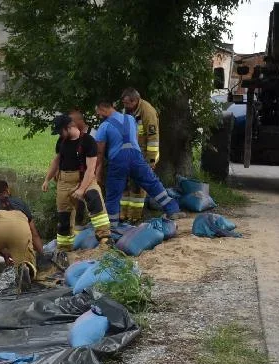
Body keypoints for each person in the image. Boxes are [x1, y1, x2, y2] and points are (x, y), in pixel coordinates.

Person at [92, 99, 180, 229]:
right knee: (152, 183)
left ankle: (112, 227)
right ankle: (172, 210)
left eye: (98, 112)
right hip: (136, 156)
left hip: (118, 160)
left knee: (113, 193)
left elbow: (99, 152)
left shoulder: (104, 126)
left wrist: (96, 173)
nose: (98, 115)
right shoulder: (130, 119)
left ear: (103, 109)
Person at [41, 113, 110, 255]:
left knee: (94, 201)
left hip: (85, 179)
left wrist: (82, 189)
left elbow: (91, 168)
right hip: (64, 181)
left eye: (60, 131)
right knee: (64, 218)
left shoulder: (88, 141)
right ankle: (64, 250)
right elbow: (57, 160)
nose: (59, 134)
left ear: (69, 127)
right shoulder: (62, 141)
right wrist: (47, 179)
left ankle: (105, 240)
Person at [0, 179, 43, 297]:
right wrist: (42, 255)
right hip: (20, 226)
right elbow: (34, 233)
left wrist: (4, 253)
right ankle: (25, 267)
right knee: (26, 259)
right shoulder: (20, 203)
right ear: (7, 190)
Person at [120, 87, 161, 222]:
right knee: (125, 186)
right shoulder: (128, 111)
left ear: (136, 101)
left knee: (137, 188)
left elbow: (153, 139)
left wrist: (151, 161)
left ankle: (134, 217)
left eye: (127, 104)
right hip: (128, 154)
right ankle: (123, 215)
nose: (125, 106)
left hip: (143, 155)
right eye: (124, 103)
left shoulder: (148, 112)